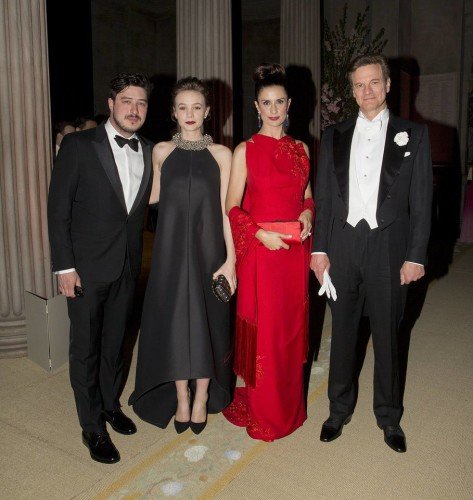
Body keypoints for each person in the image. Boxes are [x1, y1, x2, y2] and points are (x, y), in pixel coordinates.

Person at [311, 54, 432, 453]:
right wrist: (319, 249)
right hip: (342, 244)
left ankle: (389, 417)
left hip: (389, 247)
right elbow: (324, 198)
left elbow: (422, 201)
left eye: (374, 82)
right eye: (359, 84)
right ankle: (338, 410)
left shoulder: (413, 134)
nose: (367, 91)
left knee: (388, 335)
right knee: (343, 331)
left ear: (388, 85)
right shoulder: (334, 134)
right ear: (352, 90)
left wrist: (416, 256)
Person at [47, 73, 154, 464]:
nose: (134, 109)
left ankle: (110, 404)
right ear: (111, 104)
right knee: (86, 349)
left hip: (127, 265)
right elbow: (58, 211)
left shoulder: (148, 149)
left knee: (115, 343)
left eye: (141, 103)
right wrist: (64, 268)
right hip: (85, 269)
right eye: (126, 101)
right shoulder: (78, 145)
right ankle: (91, 426)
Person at [129, 77, 235, 434]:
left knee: (207, 322)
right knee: (174, 322)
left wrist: (231, 261)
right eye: (182, 107)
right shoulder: (161, 151)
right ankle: (181, 397)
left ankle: (202, 395)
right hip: (170, 253)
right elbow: (149, 197)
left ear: (208, 111)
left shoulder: (222, 155)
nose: (190, 114)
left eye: (197, 107)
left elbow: (227, 212)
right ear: (173, 113)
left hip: (210, 252)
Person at [222, 63, 315, 442]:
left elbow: (306, 195)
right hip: (261, 254)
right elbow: (231, 207)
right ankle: (265, 410)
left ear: (289, 104)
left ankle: (289, 406)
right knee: (266, 334)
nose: (273, 109)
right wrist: (260, 235)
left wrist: (308, 212)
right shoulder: (245, 150)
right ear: (256, 107)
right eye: (266, 103)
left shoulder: (302, 148)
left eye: (279, 102)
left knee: (290, 331)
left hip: (293, 254)